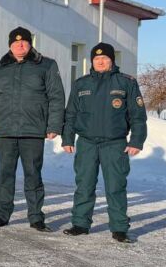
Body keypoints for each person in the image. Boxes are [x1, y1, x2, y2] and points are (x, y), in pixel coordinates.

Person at [61, 42, 147, 243]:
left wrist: (136, 141)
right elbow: (71, 114)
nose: (100, 61)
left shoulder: (126, 83)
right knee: (84, 185)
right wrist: (67, 138)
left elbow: (137, 115)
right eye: (96, 58)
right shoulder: (81, 84)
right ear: (92, 61)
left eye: (104, 58)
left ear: (111, 60)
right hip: (87, 143)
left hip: (115, 144)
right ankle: (80, 224)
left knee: (116, 186)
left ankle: (119, 228)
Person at [0, 27, 65, 232]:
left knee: (33, 175)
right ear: (10, 45)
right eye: (16, 42)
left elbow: (56, 97)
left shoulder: (46, 65)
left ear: (30, 44)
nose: (20, 45)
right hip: (6, 131)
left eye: (24, 42)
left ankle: (36, 217)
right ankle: (1, 214)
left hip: (33, 131)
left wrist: (54, 125)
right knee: (5, 175)